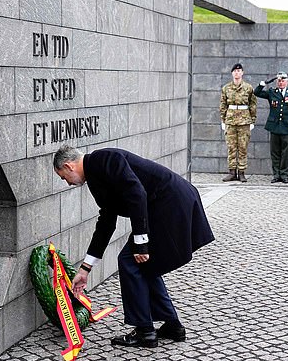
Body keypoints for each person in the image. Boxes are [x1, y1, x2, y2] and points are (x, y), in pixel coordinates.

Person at [53, 145, 215, 347]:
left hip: (170, 203)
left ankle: (145, 331)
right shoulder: (96, 173)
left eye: (63, 177)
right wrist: (85, 269)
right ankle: (172, 325)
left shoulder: (103, 159)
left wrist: (141, 242)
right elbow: (106, 222)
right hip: (168, 204)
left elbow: (137, 193)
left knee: (130, 261)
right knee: (145, 263)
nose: (67, 183)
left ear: (69, 166)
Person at [255, 71, 288, 183]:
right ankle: (276, 175)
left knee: (285, 152)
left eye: (283, 80)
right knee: (275, 152)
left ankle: (284, 175)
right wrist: (264, 83)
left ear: (287, 81)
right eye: (279, 81)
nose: (281, 83)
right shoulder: (272, 92)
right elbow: (257, 93)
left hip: (287, 126)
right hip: (274, 126)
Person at [219, 62, 257, 182]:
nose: (237, 73)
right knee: (231, 147)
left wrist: (252, 120)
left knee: (243, 147)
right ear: (232, 73)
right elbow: (223, 104)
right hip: (230, 120)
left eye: (239, 71)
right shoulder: (226, 88)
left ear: (242, 73)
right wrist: (223, 120)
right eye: (235, 71)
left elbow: (253, 104)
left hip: (244, 121)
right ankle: (231, 172)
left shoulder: (248, 88)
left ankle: (241, 172)